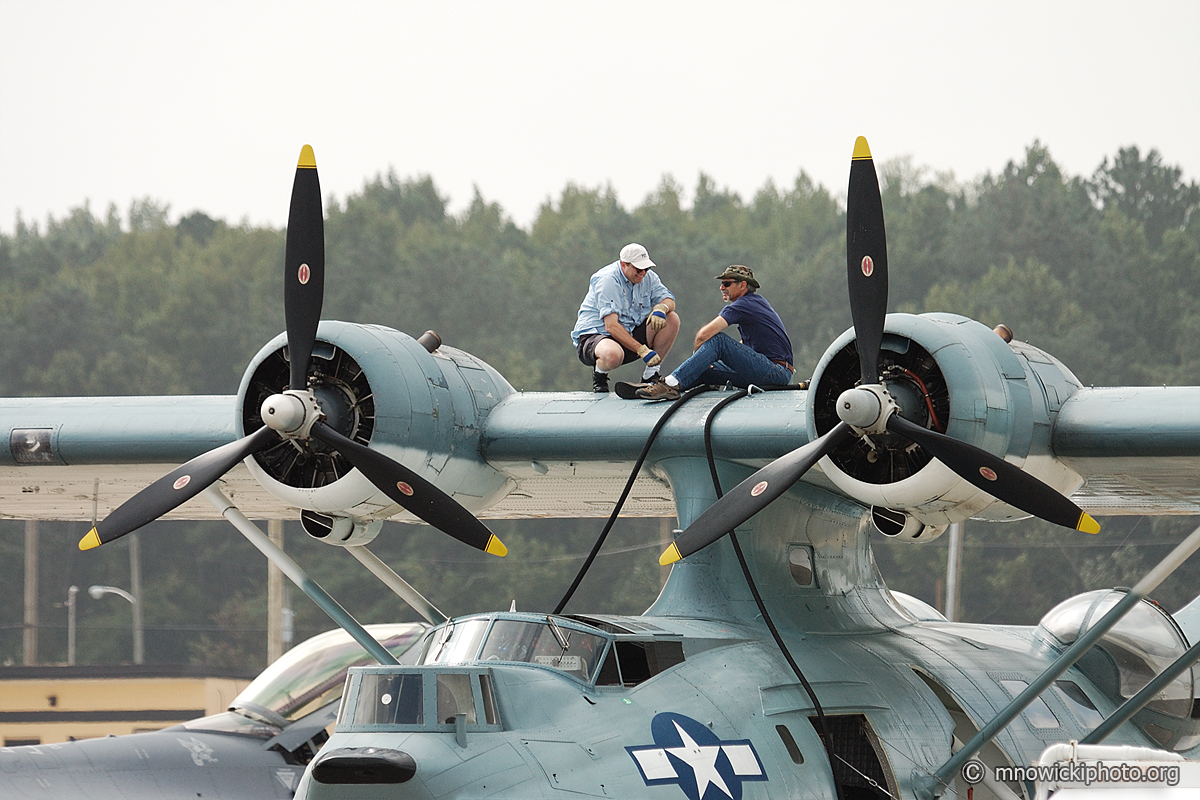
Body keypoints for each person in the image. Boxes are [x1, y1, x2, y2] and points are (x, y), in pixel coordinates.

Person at [626, 265, 793, 401]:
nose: (722, 287)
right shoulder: (755, 303)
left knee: (718, 341)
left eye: (727, 283)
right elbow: (746, 347)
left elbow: (704, 335)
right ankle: (660, 386)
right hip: (769, 371)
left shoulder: (744, 304)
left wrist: (701, 357)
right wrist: (703, 363)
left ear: (742, 285)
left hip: (775, 372)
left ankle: (669, 384)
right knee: (701, 370)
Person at [571, 243, 680, 393]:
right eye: (638, 269)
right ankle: (600, 377)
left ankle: (651, 376)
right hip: (595, 337)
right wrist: (642, 350)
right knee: (612, 355)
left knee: (671, 319)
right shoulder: (607, 280)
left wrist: (661, 308)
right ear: (624, 265)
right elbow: (611, 326)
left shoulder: (649, 277)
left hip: (627, 334)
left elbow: (669, 300)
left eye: (646, 269)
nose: (643, 273)